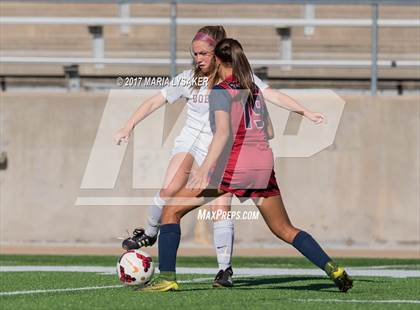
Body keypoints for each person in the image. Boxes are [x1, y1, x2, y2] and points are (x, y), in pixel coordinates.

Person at [114, 26, 325, 288]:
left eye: (203, 53)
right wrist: (128, 125)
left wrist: (305, 111)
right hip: (189, 142)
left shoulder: (235, 79)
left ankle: (224, 270)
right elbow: (153, 102)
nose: (198, 58)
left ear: (217, 54)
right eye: (195, 54)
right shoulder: (187, 79)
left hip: (219, 149)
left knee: (220, 209)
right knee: (169, 189)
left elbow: (272, 95)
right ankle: (149, 233)